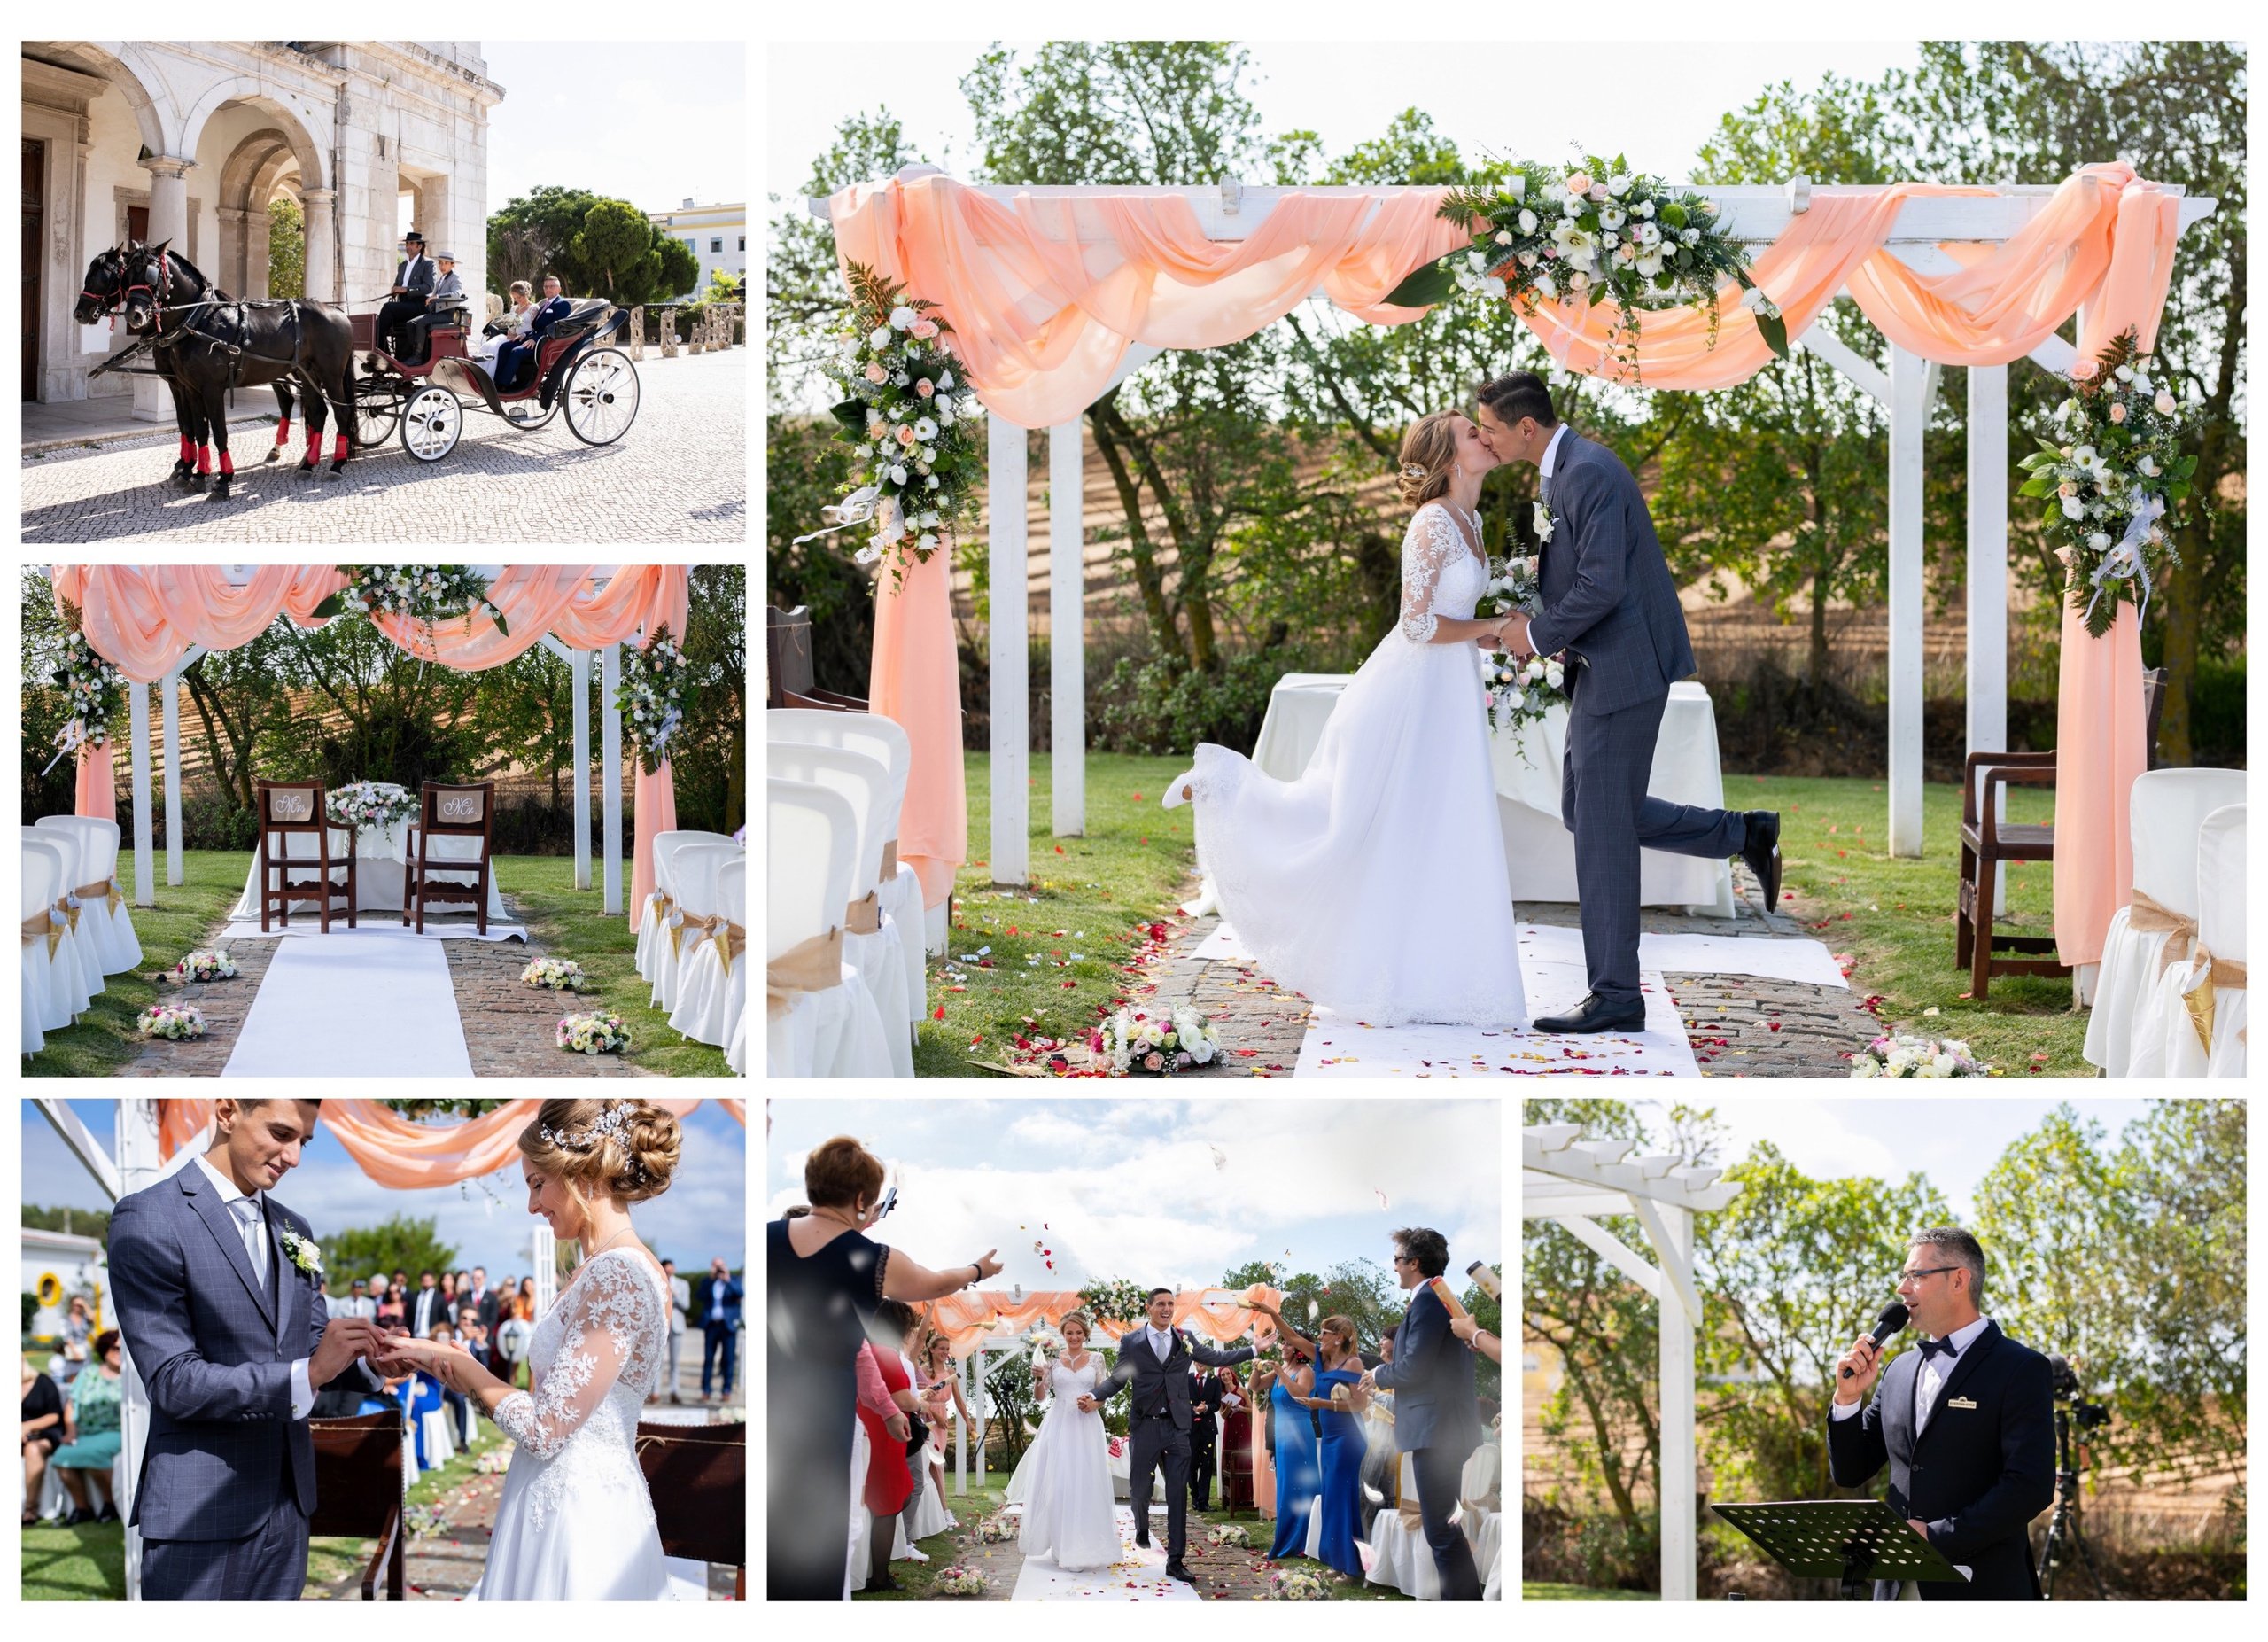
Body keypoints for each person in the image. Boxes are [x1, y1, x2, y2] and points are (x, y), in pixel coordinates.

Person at [1160, 409, 1527, 1029]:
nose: (1486, 437)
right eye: (1472, 432)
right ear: (1446, 455)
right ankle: (1225, 788)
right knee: (1352, 822)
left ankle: (1429, 977)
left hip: (1449, 689)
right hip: (1408, 694)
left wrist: (1509, 634)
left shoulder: (1472, 519)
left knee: (1431, 828)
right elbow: (1417, 624)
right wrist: (1492, 625)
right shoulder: (1431, 524)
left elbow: (1452, 617)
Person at [1476, 371, 1781, 1032]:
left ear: (1524, 427)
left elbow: (1603, 584)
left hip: (1626, 664)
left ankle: (1616, 994)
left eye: (1491, 429)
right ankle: (1743, 833)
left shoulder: (1586, 474)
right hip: (1604, 663)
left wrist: (1536, 634)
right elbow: (1569, 571)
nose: (1485, 439)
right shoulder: (1561, 472)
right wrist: (1531, 606)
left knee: (1603, 824)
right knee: (1585, 810)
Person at [369, 1099, 686, 1601]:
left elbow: (546, 1428)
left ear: (581, 1171)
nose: (532, 1205)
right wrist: (434, 1356)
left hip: (581, 1519)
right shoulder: (598, 1269)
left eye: (538, 1183)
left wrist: (458, 1363)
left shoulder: (619, 1274)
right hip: (554, 1497)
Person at [106, 1099, 387, 1598]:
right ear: (227, 1112)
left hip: (288, 1504)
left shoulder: (295, 1228)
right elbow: (174, 1380)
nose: (294, 1157)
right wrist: (306, 1375)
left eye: (304, 1141)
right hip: (200, 1511)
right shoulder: (149, 1217)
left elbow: (310, 1340)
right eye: (281, 1133)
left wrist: (368, 1358)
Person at [766, 1134, 1003, 1600]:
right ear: (861, 1199)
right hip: (824, 1412)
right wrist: (977, 1270)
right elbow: (934, 1283)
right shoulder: (869, 1257)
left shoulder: (766, 1237)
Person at [1829, 1226, 2054, 1600]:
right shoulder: (1897, 1370)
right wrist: (1847, 1399)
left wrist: (1937, 1536)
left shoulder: (2021, 1368)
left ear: (1959, 1280)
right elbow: (1851, 1471)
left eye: (1916, 1275)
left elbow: (2029, 1486)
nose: (1902, 1289)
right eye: (1903, 1276)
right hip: (1895, 1591)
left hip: (1981, 1592)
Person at [1084, 1288, 1256, 1586]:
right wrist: (1094, 1394)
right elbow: (1118, 1380)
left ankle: (1175, 1561)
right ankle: (1141, 1524)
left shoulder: (1185, 1338)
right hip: (1145, 1425)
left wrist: (1253, 1350)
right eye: (1160, 1304)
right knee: (1139, 1488)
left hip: (1178, 1427)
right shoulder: (1132, 1342)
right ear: (1149, 1308)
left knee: (1178, 1494)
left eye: (1170, 1305)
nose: (1166, 1309)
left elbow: (1216, 1357)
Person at [1362, 1226, 1484, 1600]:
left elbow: (1415, 1367)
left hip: (1439, 1432)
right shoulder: (1437, 1297)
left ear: (1413, 1263)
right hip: (1441, 1430)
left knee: (1441, 1532)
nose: (1394, 1267)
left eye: (1397, 1260)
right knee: (1441, 1529)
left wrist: (1376, 1374)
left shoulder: (1430, 1300)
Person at [1014, 1311, 1121, 1571]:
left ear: (1085, 1334)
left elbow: (1102, 1394)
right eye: (1069, 1333)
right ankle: (1060, 1545)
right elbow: (1040, 1397)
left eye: (1078, 1333)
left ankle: (1080, 1547)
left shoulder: (1096, 1359)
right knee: (1059, 1483)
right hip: (1059, 1424)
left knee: (1084, 1482)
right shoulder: (1051, 1360)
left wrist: (1093, 1403)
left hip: (1086, 1425)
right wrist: (1038, 1378)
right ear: (1062, 1335)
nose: (1074, 1337)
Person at [855, 1302, 923, 1592]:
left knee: (897, 1496)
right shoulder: (884, 1354)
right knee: (888, 1504)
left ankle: (874, 1569)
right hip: (886, 1435)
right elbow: (902, 1399)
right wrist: (921, 1403)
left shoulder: (871, 1351)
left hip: (882, 1433)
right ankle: (879, 1578)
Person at [1298, 1316, 1372, 1579]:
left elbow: (1360, 1404)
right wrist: (1272, 1315)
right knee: (1331, 1498)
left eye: (1324, 1333)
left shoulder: (1354, 1363)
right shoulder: (1322, 1359)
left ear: (1338, 1337)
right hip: (1330, 1438)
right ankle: (1341, 1562)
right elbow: (1293, 1339)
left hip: (1348, 1438)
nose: (1319, 1338)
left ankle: (1352, 1568)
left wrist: (1323, 1404)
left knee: (1342, 1500)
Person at [1248, 1302, 1320, 1559]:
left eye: (1289, 1344)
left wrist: (1280, 1371)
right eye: (1284, 1344)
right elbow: (1255, 1387)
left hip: (1300, 1434)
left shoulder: (1305, 1371)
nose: (1284, 1346)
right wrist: (1256, 1366)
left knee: (1300, 1486)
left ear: (1299, 1349)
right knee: (1286, 1486)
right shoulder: (1282, 1372)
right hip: (1282, 1436)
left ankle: (1303, 1540)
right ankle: (1286, 1536)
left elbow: (1301, 1394)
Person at [497, 275, 571, 393]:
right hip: (533, 337)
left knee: (516, 352)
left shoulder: (562, 304)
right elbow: (536, 326)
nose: (548, 289)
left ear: (559, 289)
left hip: (545, 342)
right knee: (504, 347)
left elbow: (554, 328)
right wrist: (525, 335)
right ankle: (497, 381)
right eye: (546, 287)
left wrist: (535, 339)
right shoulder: (544, 305)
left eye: (552, 286)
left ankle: (503, 385)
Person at [377, 230, 435, 360]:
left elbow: (429, 287)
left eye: (412, 243)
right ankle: (384, 352)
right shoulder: (402, 265)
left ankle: (382, 354)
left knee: (388, 308)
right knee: (377, 322)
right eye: (407, 243)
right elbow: (398, 284)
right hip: (404, 304)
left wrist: (406, 289)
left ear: (420, 246)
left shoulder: (428, 264)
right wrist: (395, 289)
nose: (408, 246)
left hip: (420, 304)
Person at [400, 252, 465, 365]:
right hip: (436, 313)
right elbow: (432, 296)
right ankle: (415, 353)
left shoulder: (455, 278)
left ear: (452, 265)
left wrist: (437, 297)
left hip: (448, 315)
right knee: (410, 324)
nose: (442, 266)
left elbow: (457, 294)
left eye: (445, 263)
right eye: (440, 263)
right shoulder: (440, 280)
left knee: (421, 323)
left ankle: (417, 358)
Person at [23, 1356, 66, 1524]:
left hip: (45, 1434)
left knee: (33, 1450)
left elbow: (54, 1416)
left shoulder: (43, 1382)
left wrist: (26, 1426)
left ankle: (30, 1508)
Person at [696, 1256, 742, 1404]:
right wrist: (711, 1279)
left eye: (720, 1266)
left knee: (728, 1359)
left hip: (727, 1325)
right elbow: (700, 1296)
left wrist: (727, 1279)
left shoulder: (733, 1280)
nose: (718, 1269)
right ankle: (706, 1390)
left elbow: (740, 1293)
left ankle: (726, 1389)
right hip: (711, 1325)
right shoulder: (708, 1282)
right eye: (715, 1266)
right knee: (709, 1359)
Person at [1217, 1363, 1255, 1514]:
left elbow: (1252, 1410)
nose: (1226, 1377)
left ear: (1232, 1375)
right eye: (1223, 1375)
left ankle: (1245, 1496)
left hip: (1243, 1426)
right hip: (1230, 1427)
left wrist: (1240, 1408)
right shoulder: (1220, 1394)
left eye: (1227, 1374)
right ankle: (1230, 1497)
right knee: (1230, 1458)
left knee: (1245, 1458)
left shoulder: (1242, 1390)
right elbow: (1223, 1415)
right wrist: (1227, 1407)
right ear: (1220, 1378)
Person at [1187, 1364, 1225, 1510]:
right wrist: (1194, 1409)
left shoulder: (1215, 1380)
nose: (1200, 1363)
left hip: (1208, 1429)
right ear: (1195, 1363)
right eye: (1198, 1360)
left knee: (1207, 1465)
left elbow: (1216, 1404)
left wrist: (1207, 1408)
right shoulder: (1187, 1379)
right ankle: (1195, 1497)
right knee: (1191, 1464)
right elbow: (1182, 1400)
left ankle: (1203, 1502)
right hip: (1191, 1429)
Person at [475, 280, 534, 371]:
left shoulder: (534, 308)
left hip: (524, 338)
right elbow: (511, 326)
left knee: (496, 348)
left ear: (526, 294)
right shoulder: (514, 308)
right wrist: (510, 333)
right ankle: (480, 373)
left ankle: (493, 375)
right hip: (512, 336)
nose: (517, 300)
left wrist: (521, 335)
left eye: (519, 297)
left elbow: (536, 327)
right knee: (488, 346)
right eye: (514, 298)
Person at [655, 1257, 690, 1405]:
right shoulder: (657, 1281)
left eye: (670, 1268)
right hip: (661, 1326)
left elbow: (686, 1306)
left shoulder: (683, 1284)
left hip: (676, 1326)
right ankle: (655, 1392)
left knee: (675, 1362)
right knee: (658, 1362)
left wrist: (673, 1293)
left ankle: (674, 1391)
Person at [59, 1296, 93, 1383]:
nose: (77, 1307)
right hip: (73, 1349)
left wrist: (84, 1304)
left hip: (85, 1349)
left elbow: (92, 1317)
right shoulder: (66, 1319)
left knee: (87, 1375)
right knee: (73, 1376)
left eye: (79, 1305)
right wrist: (74, 1352)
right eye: (75, 1305)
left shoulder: (84, 1318)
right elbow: (67, 1337)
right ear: (71, 1305)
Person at [409, 1269, 447, 1337]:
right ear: (421, 1282)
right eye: (424, 1280)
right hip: (415, 1336)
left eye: (429, 1280)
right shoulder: (414, 1297)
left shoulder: (439, 1298)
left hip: (431, 1336)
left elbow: (444, 1318)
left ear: (434, 1281)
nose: (426, 1283)